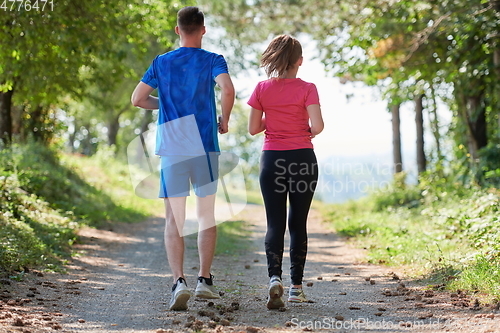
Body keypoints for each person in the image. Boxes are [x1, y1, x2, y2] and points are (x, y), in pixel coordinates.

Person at [131, 6, 235, 311]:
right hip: (204, 144)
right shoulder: (213, 60)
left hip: (174, 145)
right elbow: (227, 90)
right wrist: (224, 120)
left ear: (178, 30)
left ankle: (178, 282)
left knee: (174, 219)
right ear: (203, 29)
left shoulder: (161, 62)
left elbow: (137, 99)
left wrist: (164, 106)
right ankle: (204, 280)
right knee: (206, 215)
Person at [247, 35, 324, 309]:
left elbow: (254, 128)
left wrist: (275, 117)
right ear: (299, 61)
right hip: (302, 159)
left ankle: (274, 279)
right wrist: (296, 118)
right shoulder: (308, 88)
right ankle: (296, 288)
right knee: (298, 223)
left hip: (272, 161)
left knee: (274, 223)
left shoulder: (261, 88)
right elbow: (317, 126)